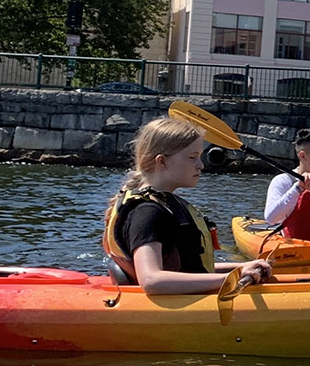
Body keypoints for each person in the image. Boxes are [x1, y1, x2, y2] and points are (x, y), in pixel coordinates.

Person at [103, 116, 274, 294]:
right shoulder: (147, 212)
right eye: (193, 157)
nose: (200, 165)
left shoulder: (166, 204)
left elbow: (191, 268)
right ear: (162, 161)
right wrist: (231, 278)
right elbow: (151, 280)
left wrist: (242, 267)